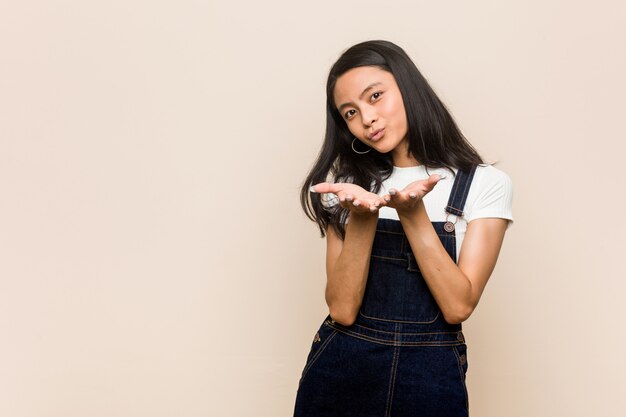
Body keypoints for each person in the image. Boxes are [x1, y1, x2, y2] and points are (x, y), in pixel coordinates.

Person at [293, 40, 513, 417]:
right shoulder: (345, 187)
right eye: (350, 112)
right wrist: (363, 216)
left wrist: (413, 215)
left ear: (407, 86)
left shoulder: (484, 184)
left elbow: (458, 305)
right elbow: (343, 310)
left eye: (375, 96)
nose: (367, 118)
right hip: (341, 369)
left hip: (430, 378)